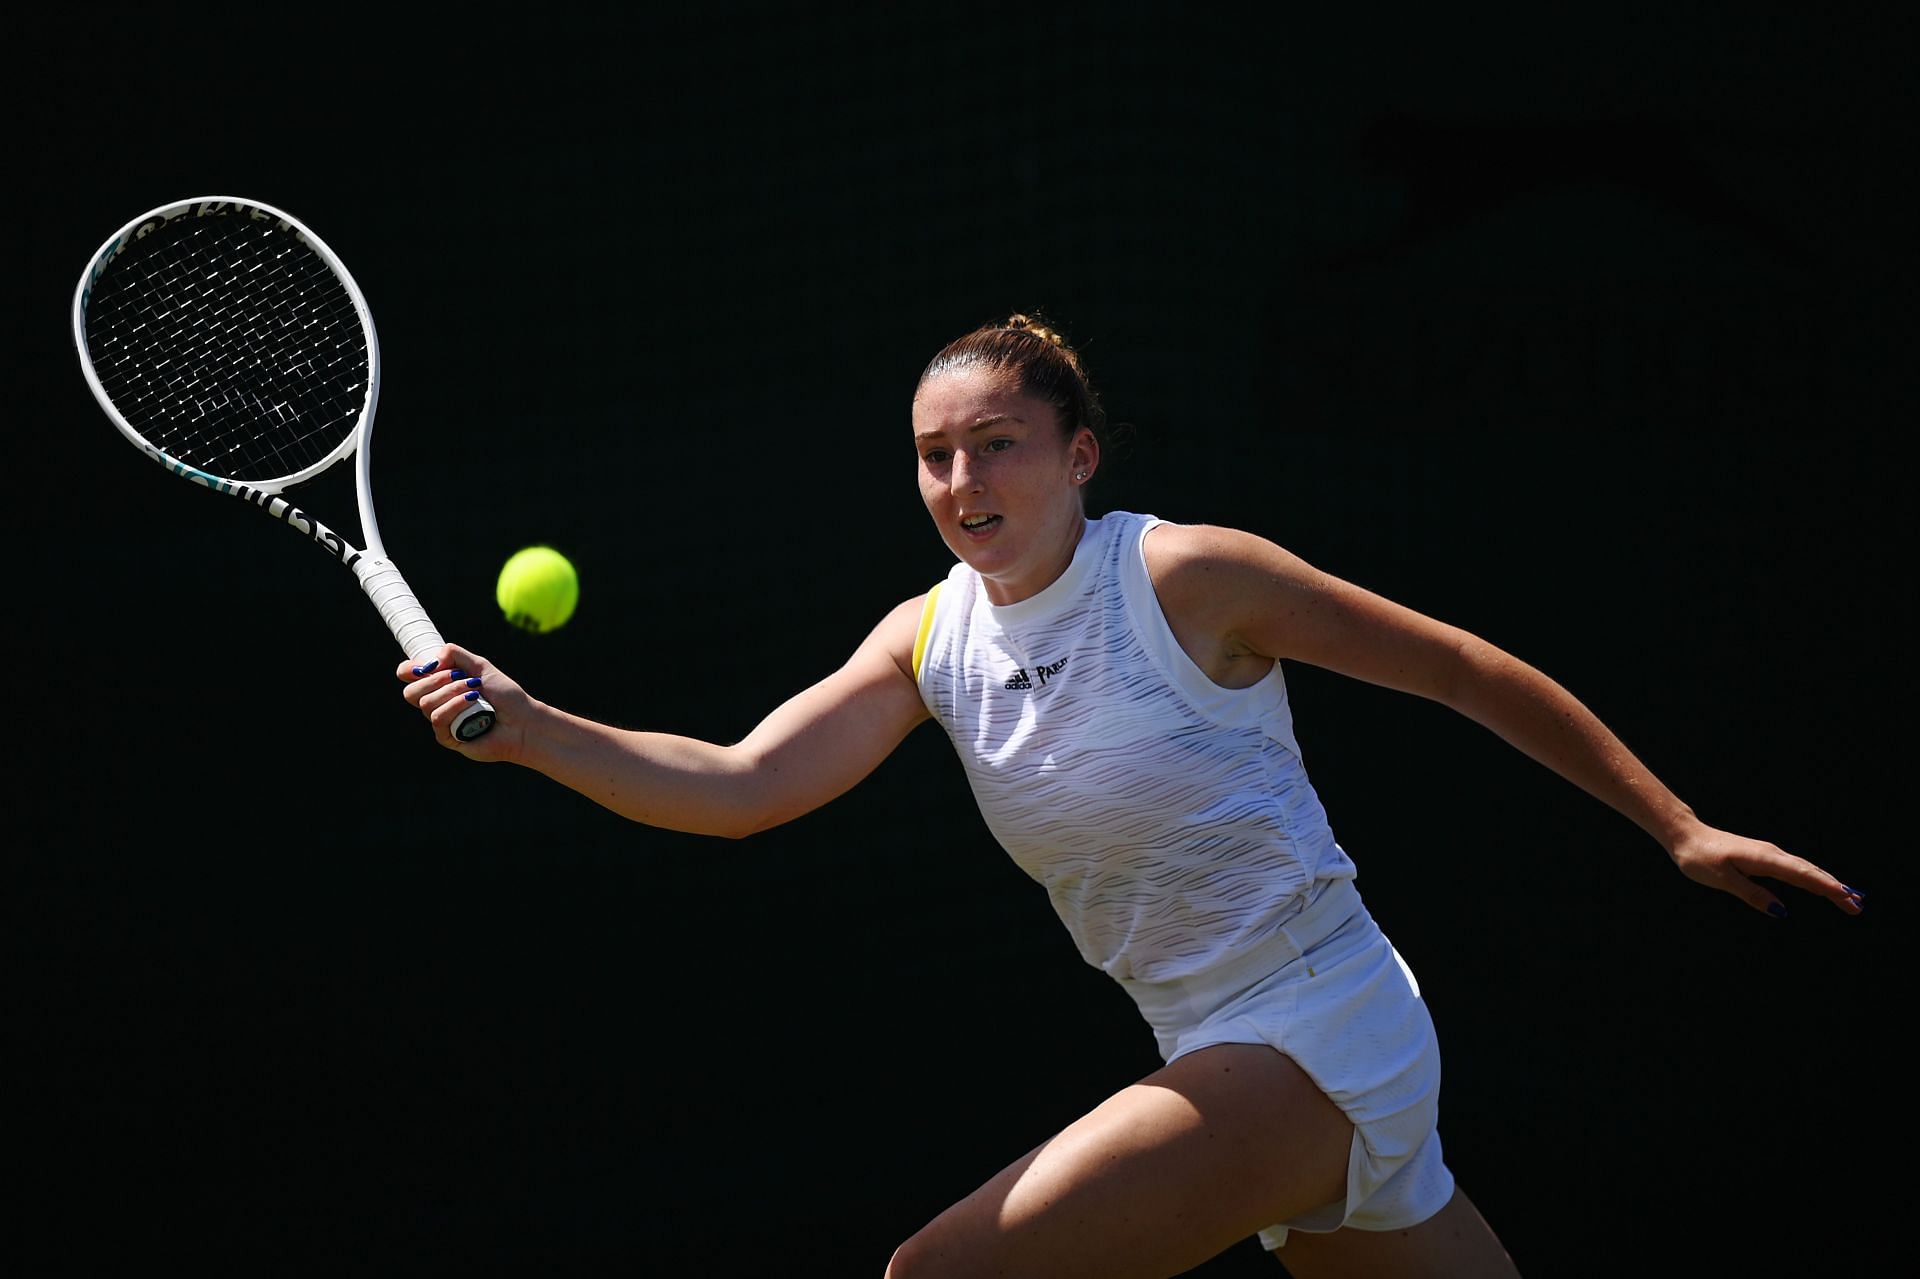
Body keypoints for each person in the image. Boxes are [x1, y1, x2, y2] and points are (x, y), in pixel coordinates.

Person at [399, 313, 1863, 1278]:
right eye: (933, 454)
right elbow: (739, 787)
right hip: (1218, 1042)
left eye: (998, 444)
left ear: (1079, 455)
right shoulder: (926, 641)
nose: (961, 477)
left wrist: (1677, 825)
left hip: (1315, 1024)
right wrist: (532, 731)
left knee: (937, 1277)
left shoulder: (1185, 577)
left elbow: (1464, 670)